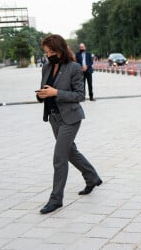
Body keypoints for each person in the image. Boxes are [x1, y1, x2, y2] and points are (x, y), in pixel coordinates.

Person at [36, 34, 102, 214]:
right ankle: (92, 177)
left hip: (71, 118)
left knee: (59, 157)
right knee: (70, 151)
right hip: (54, 117)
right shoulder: (46, 67)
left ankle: (56, 199)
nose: (49, 55)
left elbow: (79, 95)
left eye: (51, 51)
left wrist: (56, 92)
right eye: (46, 52)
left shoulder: (73, 68)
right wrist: (41, 95)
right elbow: (45, 89)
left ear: (60, 50)